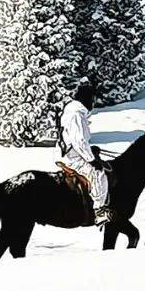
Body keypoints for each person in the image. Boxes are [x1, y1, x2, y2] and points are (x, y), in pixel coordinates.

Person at [58, 81, 113, 226]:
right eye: (93, 99)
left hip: (70, 151)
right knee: (98, 173)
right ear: (87, 98)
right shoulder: (77, 115)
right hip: (72, 156)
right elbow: (79, 140)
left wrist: (91, 150)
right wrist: (91, 159)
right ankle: (99, 211)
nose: (94, 103)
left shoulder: (72, 111)